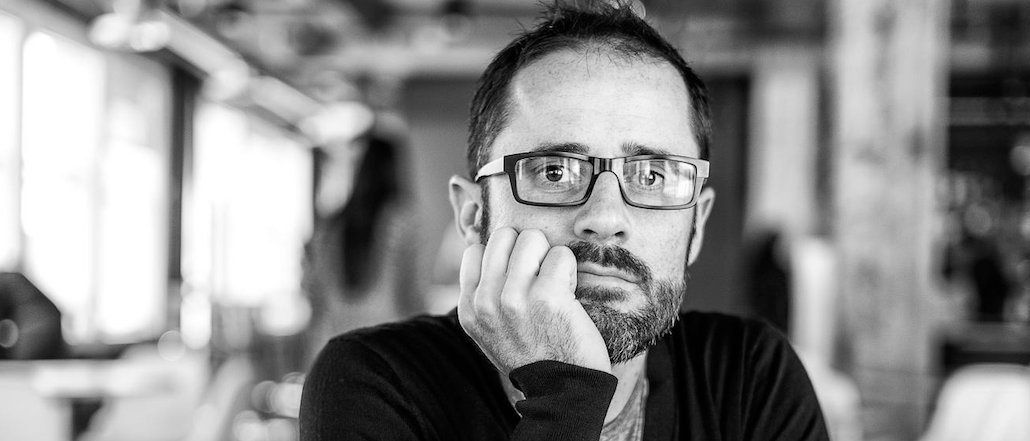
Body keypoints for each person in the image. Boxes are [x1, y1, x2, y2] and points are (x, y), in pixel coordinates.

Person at [299, 2, 829, 440]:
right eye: (555, 171)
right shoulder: (373, 383)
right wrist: (567, 396)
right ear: (473, 214)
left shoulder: (752, 378)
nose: (605, 218)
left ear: (698, 226)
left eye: (652, 175)